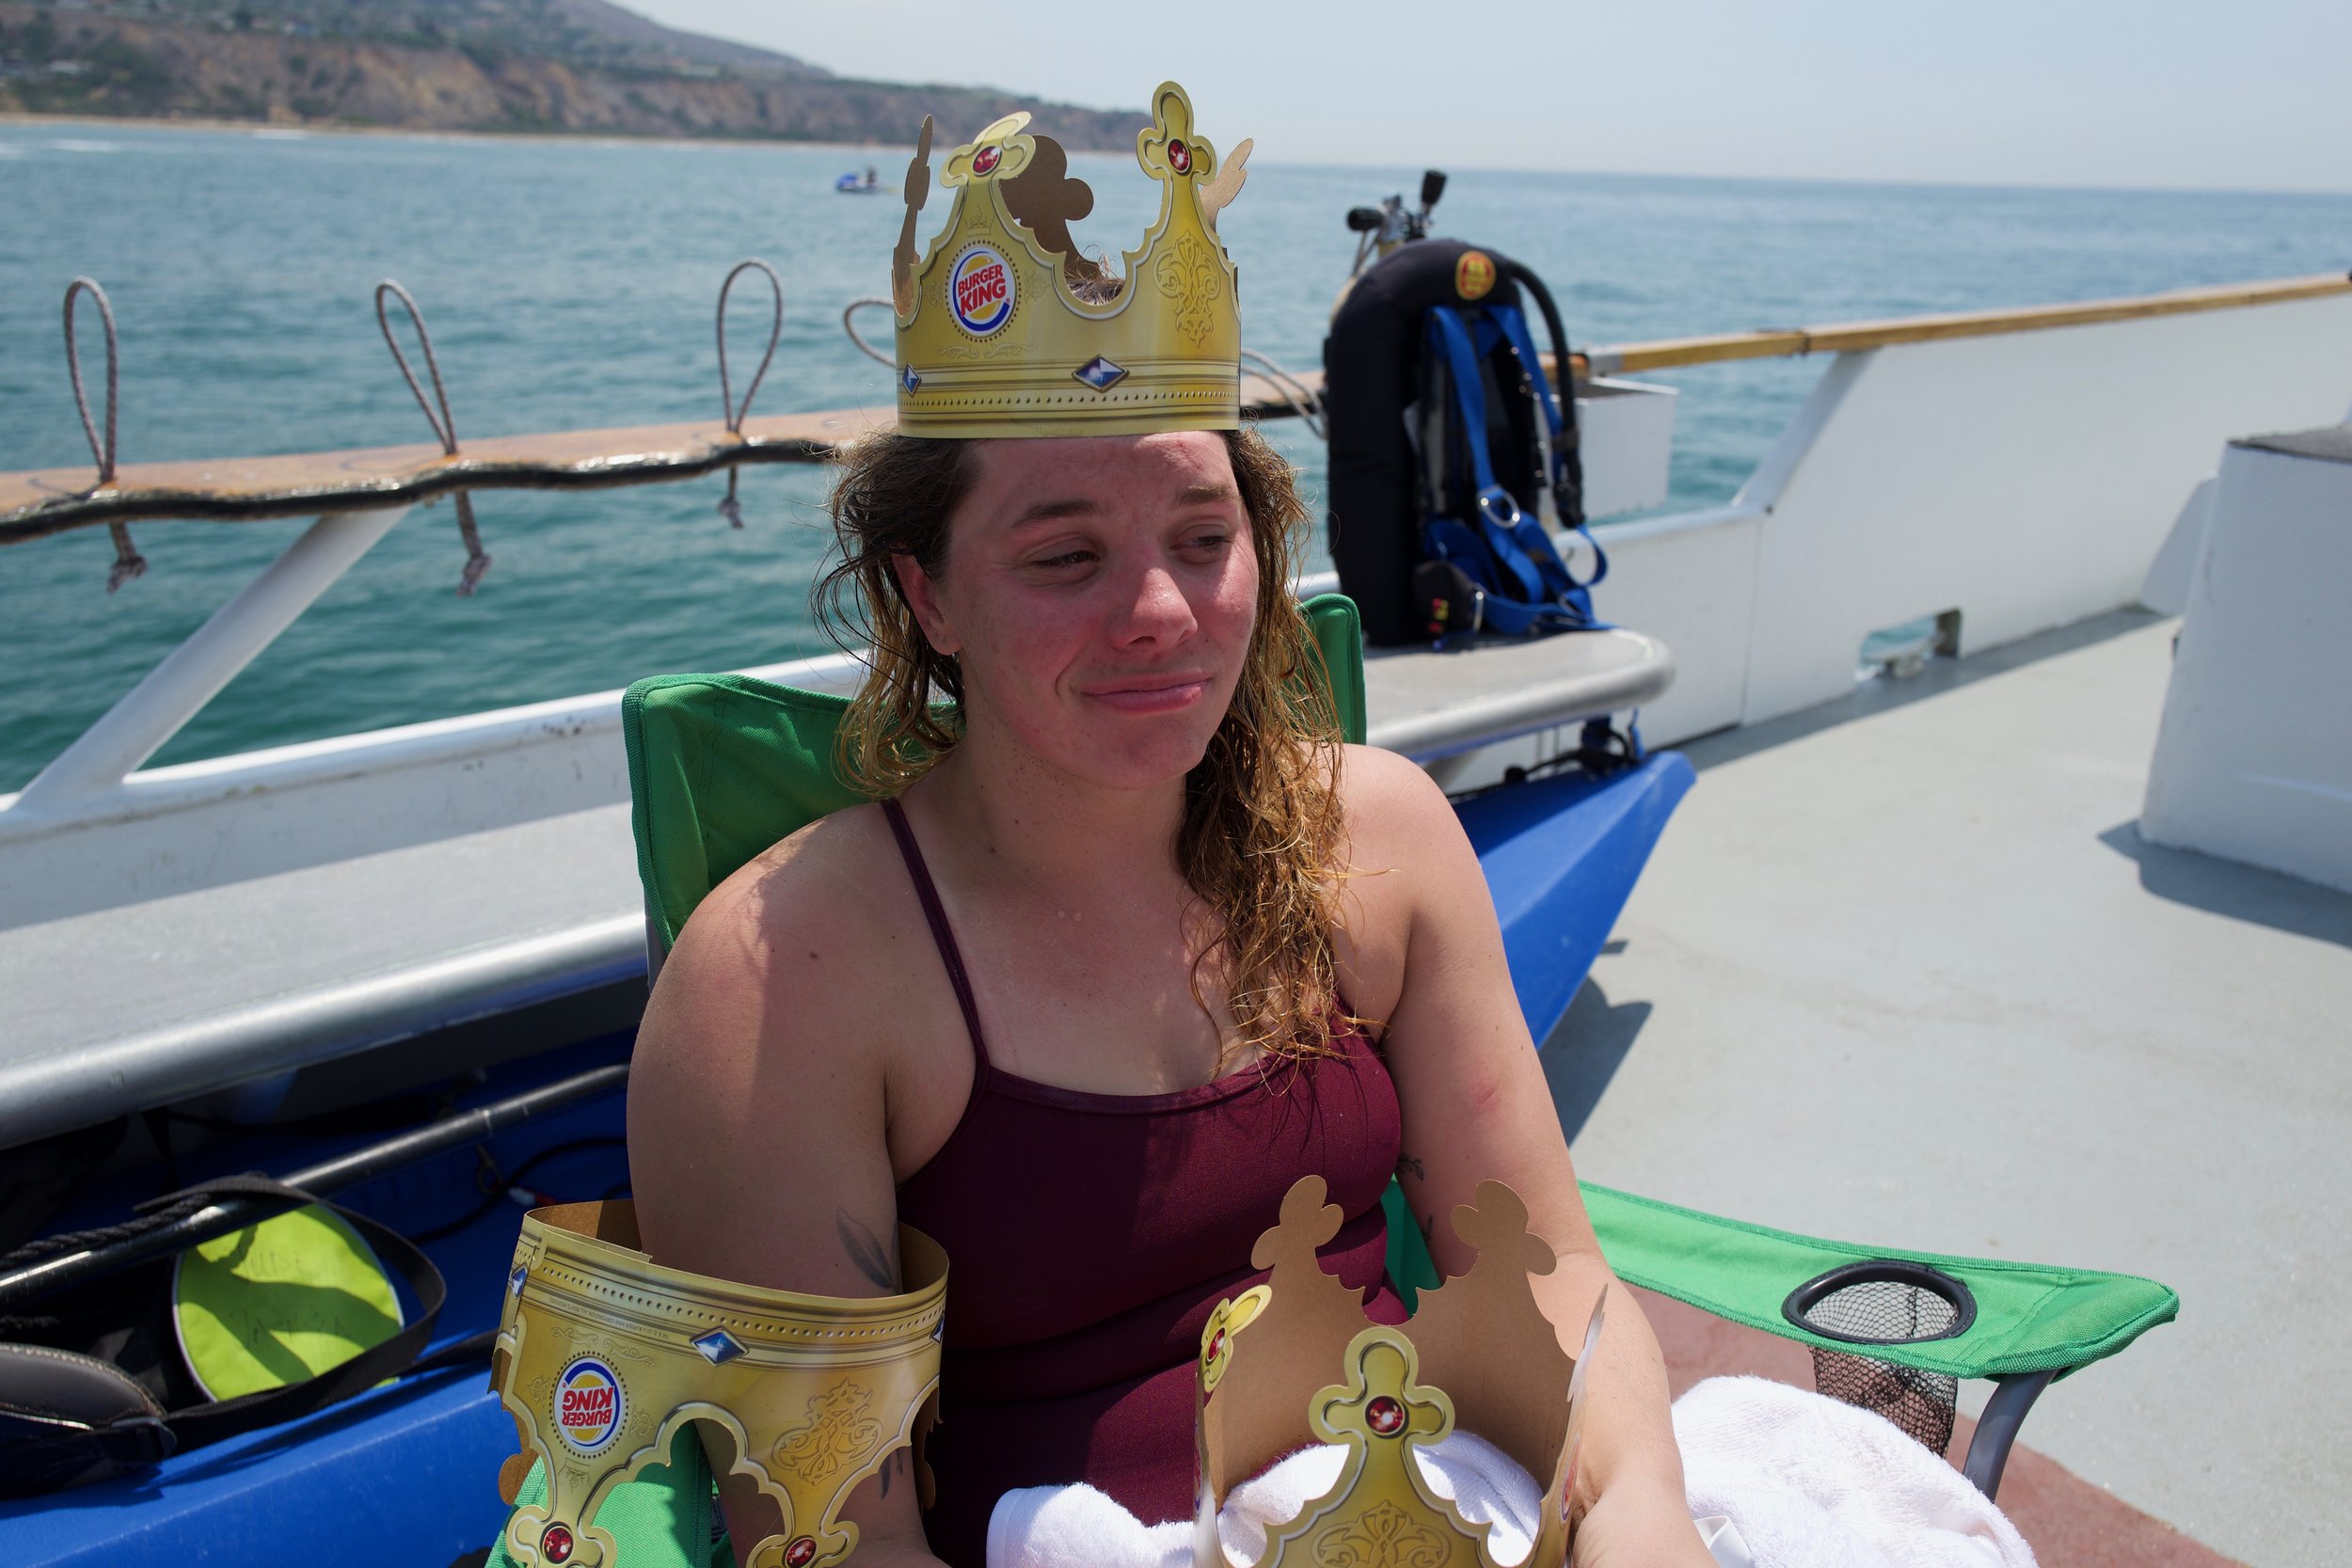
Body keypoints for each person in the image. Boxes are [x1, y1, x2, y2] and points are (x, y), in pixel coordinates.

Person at [627, 88, 1712, 1568]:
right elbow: (838, 1541)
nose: (1161, 617)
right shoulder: (789, 982)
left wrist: (1645, 1522)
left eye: (1205, 543)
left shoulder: (1376, 838)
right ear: (925, 596)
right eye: (1066, 554)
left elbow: (1552, 1280)